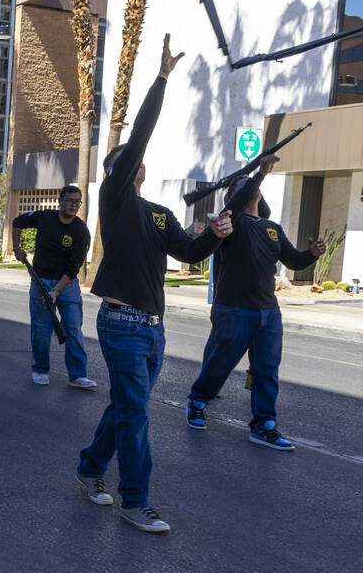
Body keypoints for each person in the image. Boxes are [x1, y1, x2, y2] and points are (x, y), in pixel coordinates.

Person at [75, 35, 240, 534]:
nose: (137, 161)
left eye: (137, 160)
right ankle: (135, 499)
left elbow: (188, 254)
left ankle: (88, 468)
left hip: (152, 328)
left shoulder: (158, 213)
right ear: (117, 171)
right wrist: (162, 79)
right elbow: (141, 135)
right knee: (137, 415)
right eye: (128, 160)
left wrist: (213, 236)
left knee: (127, 407)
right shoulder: (115, 198)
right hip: (121, 323)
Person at [185, 155, 324, 450]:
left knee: (266, 369)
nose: (245, 187)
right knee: (221, 364)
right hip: (234, 309)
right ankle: (197, 401)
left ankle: (263, 426)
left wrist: (311, 253)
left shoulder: (272, 227)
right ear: (231, 197)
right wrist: (259, 174)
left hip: (268, 312)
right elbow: (236, 203)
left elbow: (293, 260)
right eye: (239, 185)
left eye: (248, 185)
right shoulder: (228, 222)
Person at [12, 184, 94, 388]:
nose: (73, 205)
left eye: (77, 202)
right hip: (40, 280)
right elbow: (17, 222)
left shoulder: (81, 231)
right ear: (60, 201)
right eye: (69, 200)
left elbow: (73, 268)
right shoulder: (45, 217)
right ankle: (40, 369)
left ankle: (77, 376)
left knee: (73, 328)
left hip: (67, 284)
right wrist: (16, 248)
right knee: (41, 329)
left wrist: (55, 291)